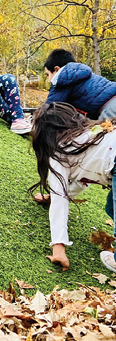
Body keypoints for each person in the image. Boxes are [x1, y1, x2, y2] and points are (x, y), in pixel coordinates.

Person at [30, 102, 116, 273]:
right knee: (111, 207)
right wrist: (52, 198)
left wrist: (58, 247)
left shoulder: (60, 152)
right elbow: (81, 180)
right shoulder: (91, 132)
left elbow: (59, 197)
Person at [44, 49, 116, 120]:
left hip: (110, 109)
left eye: (48, 75)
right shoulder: (78, 74)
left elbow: (50, 109)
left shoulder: (62, 78)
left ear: (57, 69)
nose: (49, 80)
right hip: (112, 101)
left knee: (106, 129)